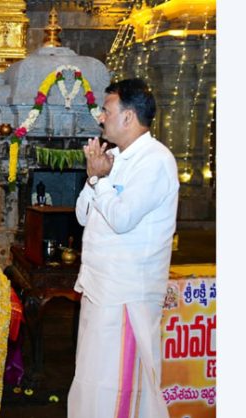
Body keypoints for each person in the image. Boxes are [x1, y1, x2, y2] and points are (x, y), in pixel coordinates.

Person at [68, 78, 178, 418]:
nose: (101, 118)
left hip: (126, 293)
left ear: (128, 117)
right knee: (91, 378)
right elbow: (83, 216)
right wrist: (93, 177)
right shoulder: (113, 156)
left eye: (106, 110)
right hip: (99, 286)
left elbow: (122, 218)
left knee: (119, 385)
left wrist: (100, 180)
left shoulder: (155, 161)